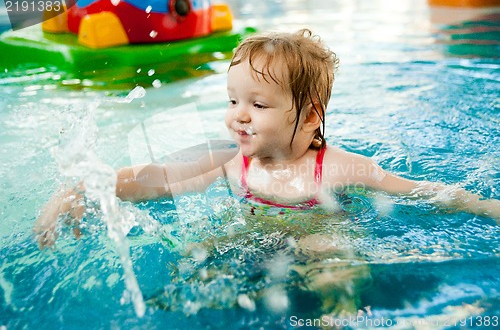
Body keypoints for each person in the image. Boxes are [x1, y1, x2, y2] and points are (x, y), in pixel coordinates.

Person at [34, 29, 500, 314]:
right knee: (197, 255)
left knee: (332, 266)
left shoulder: (337, 168)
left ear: (312, 116)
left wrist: (488, 206)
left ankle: (335, 314)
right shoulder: (229, 160)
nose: (239, 115)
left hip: (319, 228)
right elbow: (156, 179)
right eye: (232, 100)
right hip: (250, 231)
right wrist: (84, 187)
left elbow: (425, 192)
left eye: (257, 104)